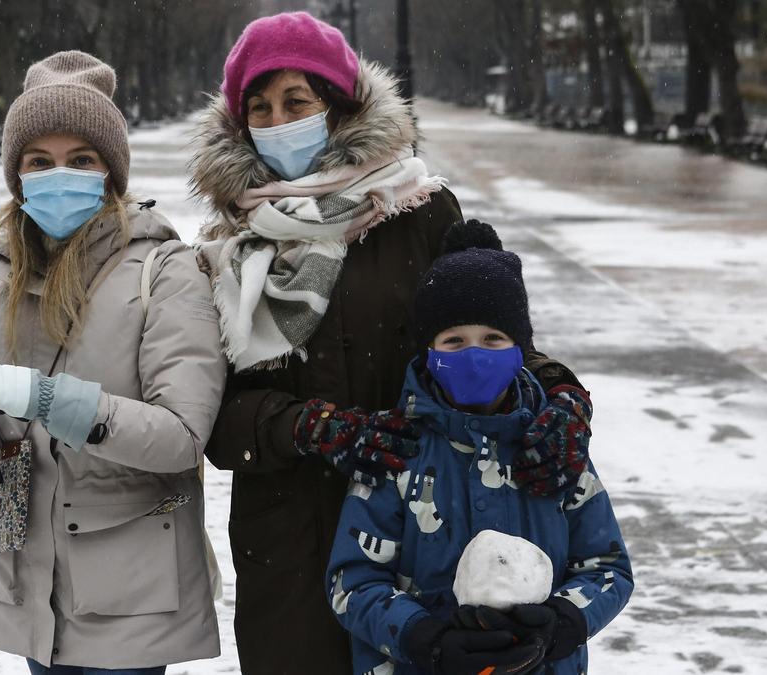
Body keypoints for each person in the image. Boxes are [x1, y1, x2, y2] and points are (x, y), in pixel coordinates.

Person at [189, 12, 596, 674]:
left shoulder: (418, 211)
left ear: (340, 106)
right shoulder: (225, 245)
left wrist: (561, 392)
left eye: (297, 101)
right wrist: (312, 427)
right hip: (293, 540)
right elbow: (212, 412)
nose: (276, 121)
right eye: (258, 108)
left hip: (422, 525)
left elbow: (486, 336)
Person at [0, 51, 224, 674]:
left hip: (126, 591)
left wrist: (43, 397)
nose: (60, 176)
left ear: (111, 173)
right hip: (27, 578)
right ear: (16, 175)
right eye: (38, 161)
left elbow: (181, 440)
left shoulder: (167, 271)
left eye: (82, 159)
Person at [325, 220, 633, 675]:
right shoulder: (397, 453)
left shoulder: (555, 449)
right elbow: (353, 580)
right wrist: (423, 637)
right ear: (429, 351)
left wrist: (562, 623)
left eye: (493, 339)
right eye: (454, 341)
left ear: (520, 349)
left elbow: (608, 566)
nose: (474, 355)